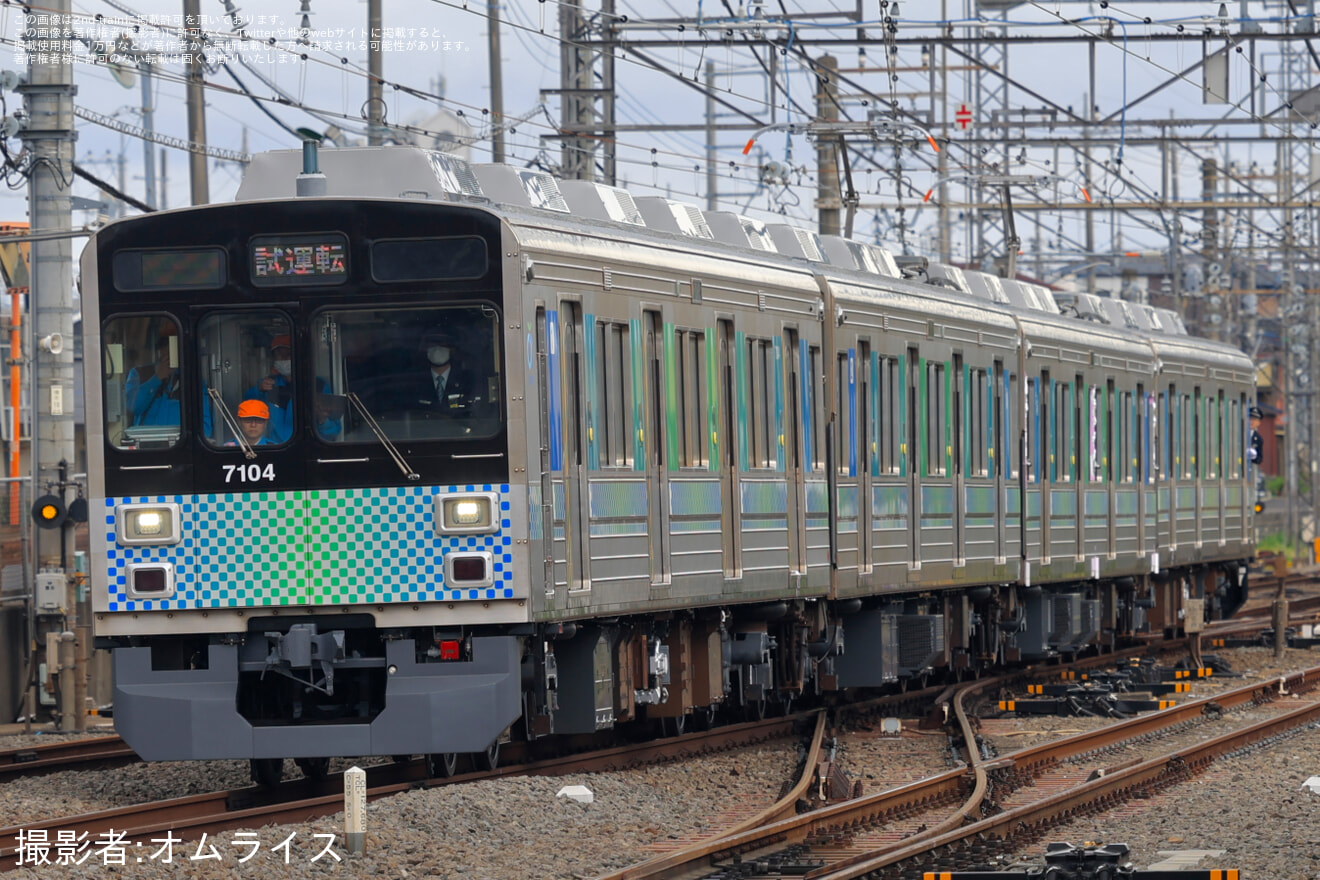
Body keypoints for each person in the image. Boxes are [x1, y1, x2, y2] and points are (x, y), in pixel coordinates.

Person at [410, 327, 476, 416]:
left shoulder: (467, 380)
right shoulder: (414, 382)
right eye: (432, 344)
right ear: (425, 349)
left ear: (452, 349)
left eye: (443, 344)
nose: (437, 348)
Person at [244, 333, 295, 443]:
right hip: (273, 448)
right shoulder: (267, 384)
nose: (283, 359)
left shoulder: (317, 385)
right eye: (279, 355)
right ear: (273, 358)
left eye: (288, 355)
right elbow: (247, 404)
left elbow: (333, 429)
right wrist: (259, 390)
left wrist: (323, 420)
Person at [124, 328, 181, 427]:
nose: (169, 350)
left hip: (182, 439)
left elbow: (203, 418)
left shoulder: (191, 378)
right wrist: (157, 378)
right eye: (164, 345)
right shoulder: (139, 374)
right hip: (147, 439)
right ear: (159, 350)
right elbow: (134, 408)